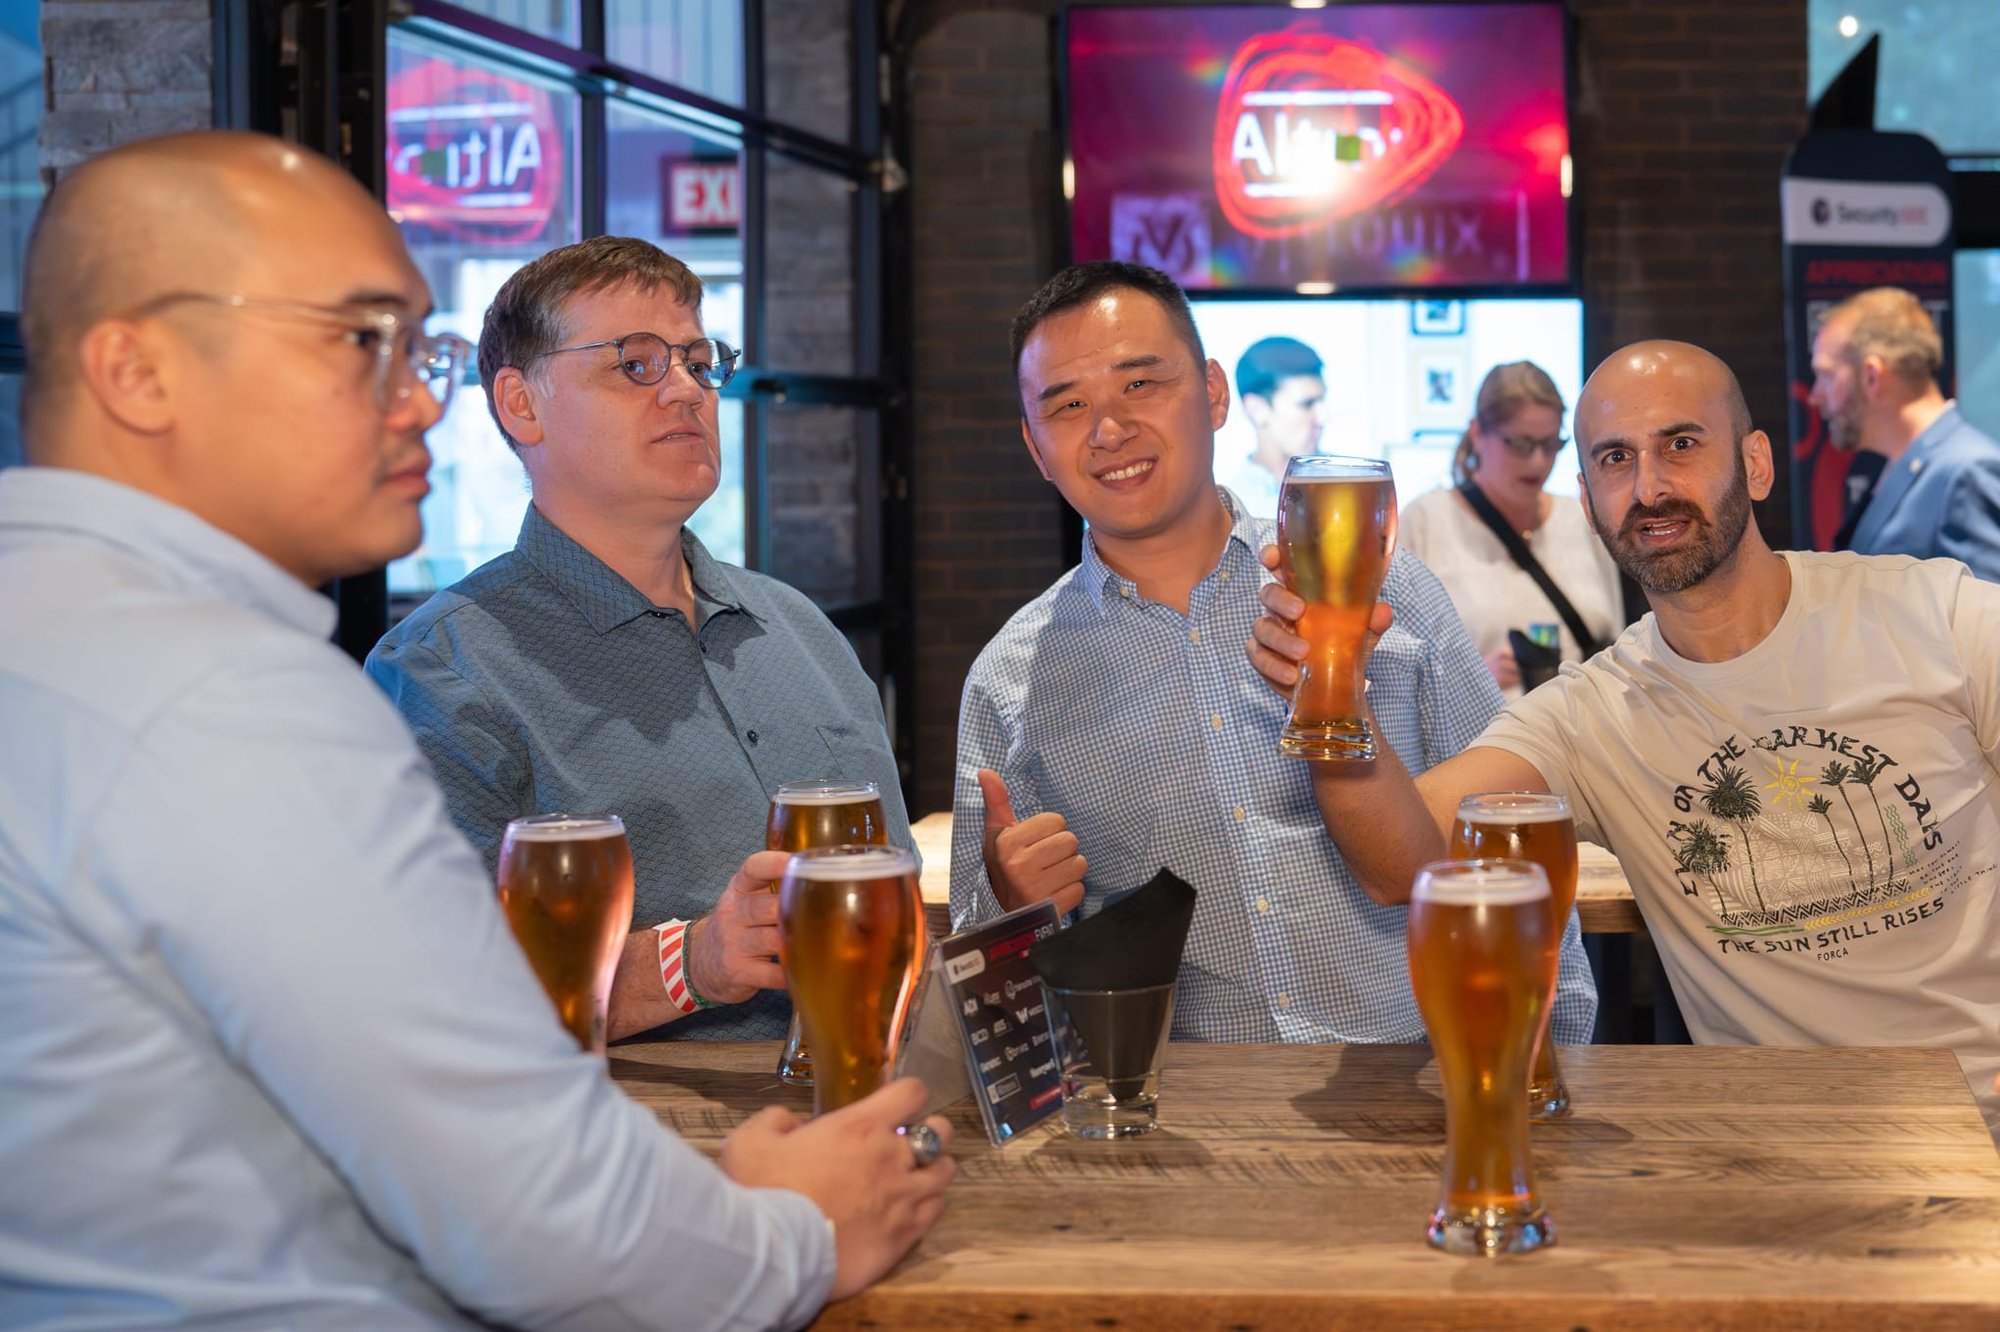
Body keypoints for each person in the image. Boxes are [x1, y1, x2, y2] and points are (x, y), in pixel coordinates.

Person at [0, 129, 952, 1328]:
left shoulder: (64, 635)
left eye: (418, 344)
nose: (415, 397)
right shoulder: (223, 697)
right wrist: (790, 1228)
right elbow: (534, 1212)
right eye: (360, 339)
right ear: (136, 371)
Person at [1250, 339, 2000, 1139]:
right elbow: (1401, 862)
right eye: (1615, 459)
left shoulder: (1937, 614)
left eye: (1680, 444)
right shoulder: (1593, 714)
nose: (1649, 487)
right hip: (1780, 1148)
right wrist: (1335, 702)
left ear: (1755, 464)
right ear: (1588, 496)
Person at [950, 261, 1596, 1045]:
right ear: (1036, 447)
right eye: (1069, 405)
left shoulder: (1380, 589)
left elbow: (1514, 844)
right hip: (1188, 1123)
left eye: (1140, 384)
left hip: (1422, 1090)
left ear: (1216, 394)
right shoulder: (1011, 681)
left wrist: (1552, 1064)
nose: (1109, 429)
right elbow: (990, 1004)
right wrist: (1016, 912)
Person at [366, 236, 909, 1042]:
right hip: (637, 1148)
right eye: (636, 364)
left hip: (874, 1120)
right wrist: (692, 962)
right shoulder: (444, 671)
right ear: (521, 404)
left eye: (698, 361)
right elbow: (435, 997)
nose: (686, 391)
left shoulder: (799, 628)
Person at [1399, 361, 1624, 695]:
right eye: (1521, 444)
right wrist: (1474, 678)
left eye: (1551, 445)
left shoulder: (1581, 516)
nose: (1538, 462)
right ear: (1477, 434)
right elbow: (1396, 670)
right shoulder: (1426, 521)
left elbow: (1618, 645)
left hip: (1584, 736)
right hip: (1478, 738)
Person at [1810, 286, 2000, 580]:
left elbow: (1990, 619)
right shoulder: (1900, 464)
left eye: (1827, 376)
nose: (1815, 396)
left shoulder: (1966, 471)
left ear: (1871, 376)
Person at [1215, 335, 1328, 515]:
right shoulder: (1230, 508)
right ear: (1256, 409)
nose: (1321, 418)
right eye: (1306, 405)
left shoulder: (1350, 485)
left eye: (1322, 401)